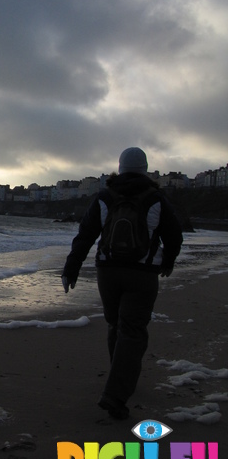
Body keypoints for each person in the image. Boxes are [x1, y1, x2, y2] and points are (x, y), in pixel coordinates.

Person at [61, 147, 183, 420]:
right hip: (142, 274)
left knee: (116, 324)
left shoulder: (105, 197)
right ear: (145, 168)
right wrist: (168, 261)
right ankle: (116, 393)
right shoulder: (156, 198)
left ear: (120, 167)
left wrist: (72, 268)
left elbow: (85, 236)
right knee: (133, 330)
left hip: (108, 272)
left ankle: (120, 378)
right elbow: (174, 236)